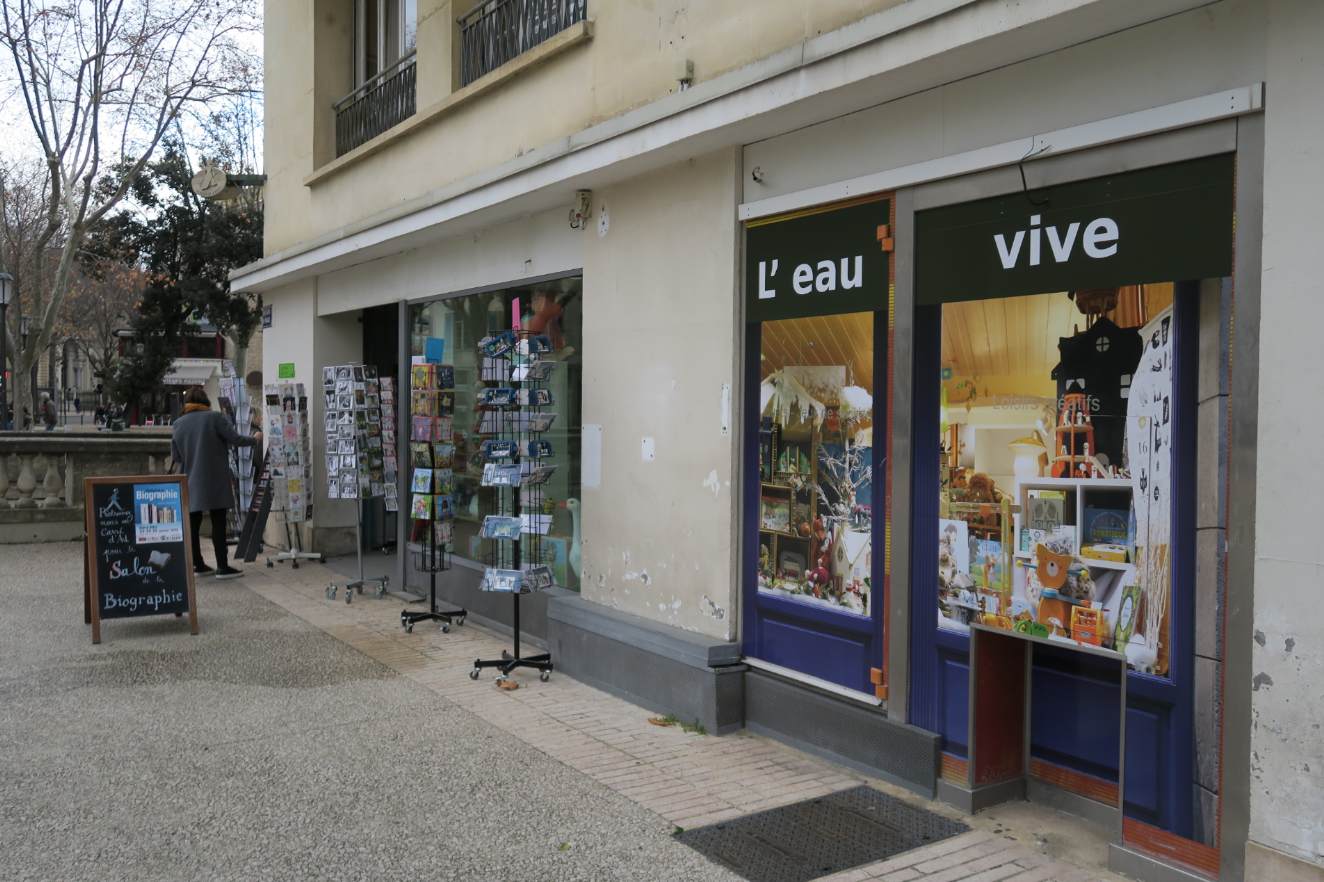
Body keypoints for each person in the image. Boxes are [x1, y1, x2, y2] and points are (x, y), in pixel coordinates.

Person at [170, 386, 262, 579]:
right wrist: (254, 439)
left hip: (190, 478)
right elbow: (235, 439)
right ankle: (222, 566)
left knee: (193, 525)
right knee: (218, 522)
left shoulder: (178, 423)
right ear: (206, 402)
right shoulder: (214, 418)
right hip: (214, 478)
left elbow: (176, 455)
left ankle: (198, 565)